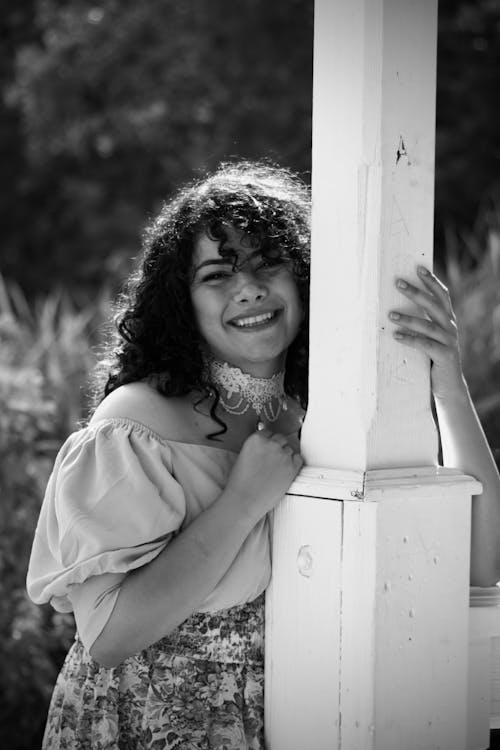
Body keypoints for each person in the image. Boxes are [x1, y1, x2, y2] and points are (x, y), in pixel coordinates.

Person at [26, 160, 500, 750]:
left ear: (304, 278)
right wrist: (243, 501)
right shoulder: (137, 423)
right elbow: (110, 636)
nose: (248, 287)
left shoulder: (329, 416)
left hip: (279, 721)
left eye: (267, 264)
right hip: (137, 720)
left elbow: (476, 559)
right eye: (217, 274)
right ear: (182, 302)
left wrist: (447, 384)